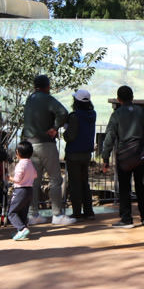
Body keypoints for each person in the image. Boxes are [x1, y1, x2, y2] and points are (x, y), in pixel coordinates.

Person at [22, 75, 74, 226]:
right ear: (47, 86)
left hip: (30, 145)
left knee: (34, 181)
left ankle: (33, 215)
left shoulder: (30, 99)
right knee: (55, 179)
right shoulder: (47, 98)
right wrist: (55, 127)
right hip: (46, 144)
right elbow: (63, 113)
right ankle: (57, 215)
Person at [102, 85, 144, 228]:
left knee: (124, 187)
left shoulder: (117, 114)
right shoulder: (142, 112)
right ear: (132, 97)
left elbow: (110, 137)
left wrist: (105, 158)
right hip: (140, 154)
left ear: (118, 99)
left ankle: (126, 219)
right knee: (141, 185)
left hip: (124, 155)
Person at [64, 88, 97, 221]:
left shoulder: (74, 116)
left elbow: (69, 137)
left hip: (73, 154)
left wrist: (65, 131)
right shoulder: (92, 114)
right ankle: (89, 211)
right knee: (85, 182)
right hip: (86, 154)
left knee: (74, 184)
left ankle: (77, 212)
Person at [7, 141, 38, 241]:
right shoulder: (30, 163)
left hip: (20, 190)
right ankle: (22, 230)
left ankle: (22, 229)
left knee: (12, 212)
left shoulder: (20, 165)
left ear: (18, 153)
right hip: (29, 190)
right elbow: (35, 175)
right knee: (23, 212)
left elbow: (18, 179)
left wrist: (9, 178)